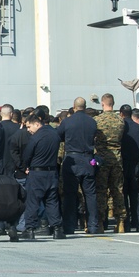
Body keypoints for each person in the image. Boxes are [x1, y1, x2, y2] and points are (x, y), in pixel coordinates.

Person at [57, 96, 100, 235]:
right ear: (85, 107)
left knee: (70, 194)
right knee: (90, 194)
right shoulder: (92, 121)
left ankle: (69, 226)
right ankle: (93, 225)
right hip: (88, 159)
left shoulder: (67, 121)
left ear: (74, 107)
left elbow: (58, 135)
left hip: (72, 159)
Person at [21, 113, 64, 239]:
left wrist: (26, 166)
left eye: (29, 127)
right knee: (52, 201)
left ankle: (30, 229)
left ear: (37, 124)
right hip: (52, 172)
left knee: (33, 201)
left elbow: (27, 155)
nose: (28, 130)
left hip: (37, 172)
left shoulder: (36, 137)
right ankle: (57, 229)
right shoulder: (54, 134)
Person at [94, 94, 127, 233]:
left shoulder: (97, 120)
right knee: (117, 190)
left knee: (101, 191)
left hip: (102, 158)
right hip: (117, 159)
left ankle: (100, 222)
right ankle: (121, 222)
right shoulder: (120, 120)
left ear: (102, 103)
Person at [119, 104, 139, 232]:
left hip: (123, 163)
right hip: (135, 163)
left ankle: (125, 223)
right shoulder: (137, 127)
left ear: (121, 114)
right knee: (135, 195)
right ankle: (137, 222)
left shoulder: (120, 126)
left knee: (123, 195)